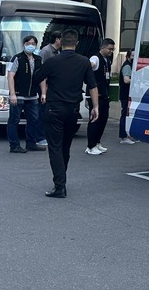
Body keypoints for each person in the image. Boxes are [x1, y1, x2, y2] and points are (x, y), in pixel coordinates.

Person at [33, 29, 98, 198]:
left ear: (61, 42)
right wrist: (95, 107)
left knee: (54, 147)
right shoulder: (84, 62)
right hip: (72, 110)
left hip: (54, 108)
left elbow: (37, 77)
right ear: (77, 43)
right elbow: (92, 85)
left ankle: (59, 185)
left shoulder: (53, 61)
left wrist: (46, 89)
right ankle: (61, 179)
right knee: (65, 147)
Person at [6, 35, 45, 153]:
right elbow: (10, 76)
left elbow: (42, 78)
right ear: (23, 44)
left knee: (34, 119)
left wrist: (43, 93)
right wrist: (12, 94)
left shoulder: (38, 59)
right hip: (18, 95)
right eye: (28, 43)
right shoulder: (17, 58)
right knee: (14, 120)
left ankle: (31, 143)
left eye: (33, 44)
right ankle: (14, 145)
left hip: (33, 95)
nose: (31, 46)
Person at [85, 38, 115, 155]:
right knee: (95, 119)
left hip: (104, 94)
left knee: (103, 119)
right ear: (103, 47)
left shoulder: (107, 60)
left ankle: (97, 142)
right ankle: (90, 145)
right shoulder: (95, 58)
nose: (111, 51)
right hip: (95, 95)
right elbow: (89, 66)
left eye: (112, 49)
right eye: (109, 49)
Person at [118, 49, 136, 144]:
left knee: (127, 115)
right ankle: (123, 137)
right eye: (132, 56)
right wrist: (136, 79)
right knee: (125, 115)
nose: (134, 57)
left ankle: (128, 135)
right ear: (128, 56)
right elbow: (126, 80)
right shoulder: (127, 66)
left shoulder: (129, 65)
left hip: (127, 95)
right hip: (126, 95)